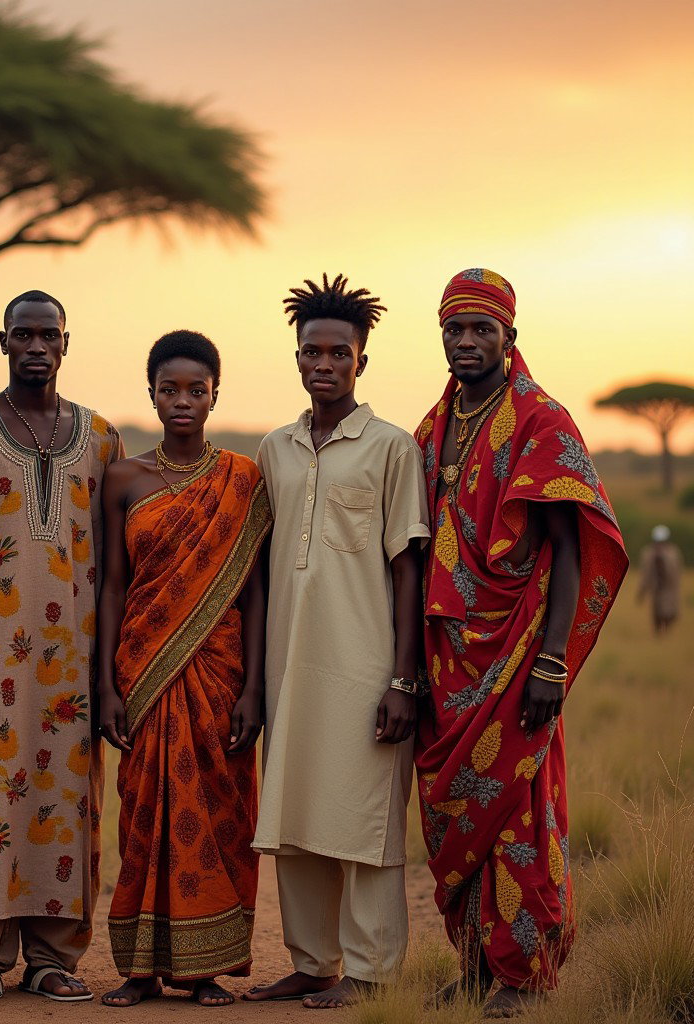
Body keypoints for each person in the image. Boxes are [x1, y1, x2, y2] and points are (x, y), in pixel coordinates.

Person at [414, 269, 628, 1017]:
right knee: (454, 818)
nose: (467, 342)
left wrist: (551, 660)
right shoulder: (434, 425)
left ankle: (521, 974)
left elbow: (570, 549)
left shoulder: (543, 420)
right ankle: (473, 964)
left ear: (511, 336)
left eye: (482, 330)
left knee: (519, 813)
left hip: (517, 655)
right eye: (455, 329)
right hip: (448, 662)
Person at [0, 289, 124, 1005]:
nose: (36, 346)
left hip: (73, 662)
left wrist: (110, 677)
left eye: (49, 335)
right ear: (2, 341)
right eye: (23, 335)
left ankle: (52, 955)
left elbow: (115, 567)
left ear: (67, 344)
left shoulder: (102, 439)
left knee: (66, 802)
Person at [245, 274, 430, 1009]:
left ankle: (371, 971)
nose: (323, 364)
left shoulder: (392, 448)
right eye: (310, 352)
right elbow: (261, 567)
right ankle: (313, 961)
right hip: (288, 664)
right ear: (296, 359)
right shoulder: (275, 449)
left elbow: (407, 567)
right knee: (295, 815)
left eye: (338, 353)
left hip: (365, 667)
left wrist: (403, 680)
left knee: (364, 819)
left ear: (362, 362)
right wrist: (255, 680)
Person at [97, 331, 272, 1008]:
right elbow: (113, 585)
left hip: (220, 674)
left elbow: (253, 591)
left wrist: (254, 688)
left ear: (215, 394)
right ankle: (140, 971)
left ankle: (205, 968)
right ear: (152, 394)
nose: (182, 401)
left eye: (196, 389)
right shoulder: (124, 478)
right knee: (142, 811)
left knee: (220, 809)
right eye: (169, 389)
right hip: (142, 670)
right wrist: (106, 684)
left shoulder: (242, 478)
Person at [637, 525, 682, 633]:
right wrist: (642, 591)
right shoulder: (648, 553)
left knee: (669, 613)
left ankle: (666, 634)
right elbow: (646, 574)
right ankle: (660, 636)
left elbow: (676, 572)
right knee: (657, 614)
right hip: (656, 589)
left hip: (669, 590)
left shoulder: (673, 553)